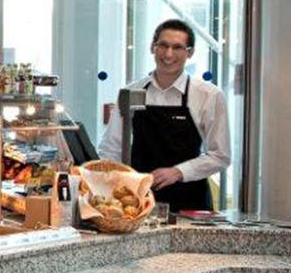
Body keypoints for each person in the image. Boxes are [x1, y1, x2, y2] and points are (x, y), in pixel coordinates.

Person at [98, 19, 230, 212]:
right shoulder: (131, 92)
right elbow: (111, 149)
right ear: (153, 48)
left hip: (191, 204)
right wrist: (111, 184)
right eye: (163, 46)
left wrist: (178, 172)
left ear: (190, 53)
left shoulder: (208, 95)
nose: (168, 54)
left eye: (177, 47)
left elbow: (221, 155)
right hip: (138, 202)